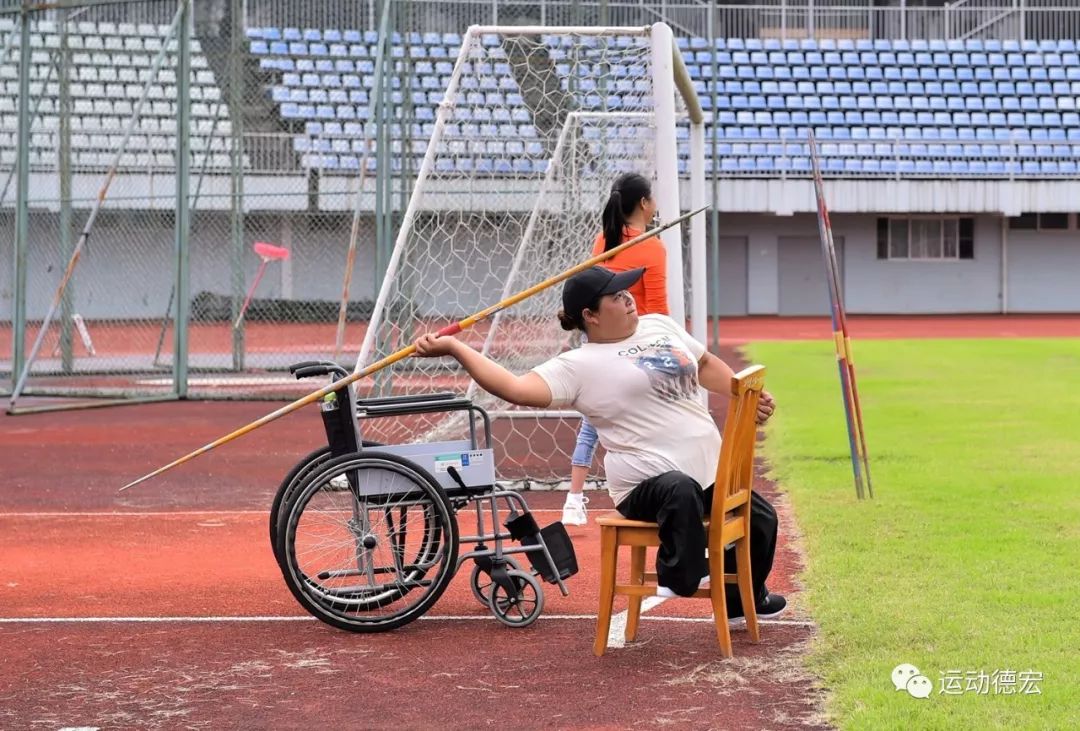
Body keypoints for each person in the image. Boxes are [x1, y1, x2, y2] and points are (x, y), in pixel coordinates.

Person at [413, 265, 786, 617]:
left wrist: (742, 394)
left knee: (762, 518)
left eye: (626, 291)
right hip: (647, 486)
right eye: (616, 296)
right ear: (590, 315)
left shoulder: (659, 324)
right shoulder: (576, 366)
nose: (628, 298)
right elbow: (514, 388)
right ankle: (679, 575)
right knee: (678, 490)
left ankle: (743, 602)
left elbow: (703, 365)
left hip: (707, 472)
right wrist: (456, 349)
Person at [564, 172, 669, 527]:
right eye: (653, 198)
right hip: (635, 344)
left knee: (593, 423)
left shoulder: (602, 240)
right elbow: (656, 308)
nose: (656, 205)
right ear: (643, 203)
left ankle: (574, 499)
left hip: (596, 339)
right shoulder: (652, 245)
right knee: (652, 422)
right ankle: (655, 492)